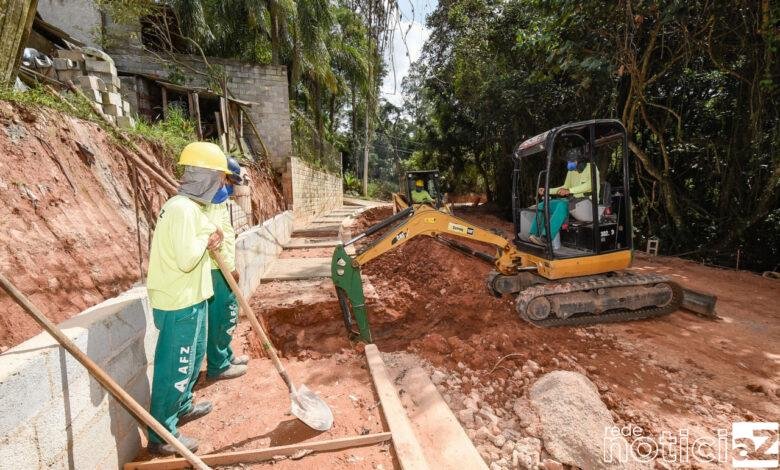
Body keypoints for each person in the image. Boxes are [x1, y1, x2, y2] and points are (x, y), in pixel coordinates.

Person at [145, 142, 231, 455]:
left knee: (192, 360)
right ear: (207, 177)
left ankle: (182, 406)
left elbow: (198, 237)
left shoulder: (188, 208)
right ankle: (161, 434)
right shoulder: (181, 209)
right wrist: (206, 240)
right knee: (175, 368)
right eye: (219, 178)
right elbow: (185, 258)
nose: (222, 184)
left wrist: (209, 235)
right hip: (177, 301)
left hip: (192, 297)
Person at [202, 157, 249, 381]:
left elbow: (226, 238)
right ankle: (218, 364)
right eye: (228, 181)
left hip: (224, 267)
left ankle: (225, 355)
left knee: (226, 317)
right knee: (222, 316)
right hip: (216, 269)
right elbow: (213, 242)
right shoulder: (206, 203)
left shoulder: (219, 202)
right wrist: (230, 269)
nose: (230, 186)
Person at [529, 150, 598, 246]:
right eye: (568, 161)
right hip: (573, 202)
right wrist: (547, 191)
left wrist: (570, 191)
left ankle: (546, 238)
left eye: (571, 161)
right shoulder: (571, 172)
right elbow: (565, 187)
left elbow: (590, 185)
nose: (569, 164)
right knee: (543, 205)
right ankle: (533, 235)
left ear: (580, 162)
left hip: (588, 204)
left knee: (562, 205)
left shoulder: (591, 168)